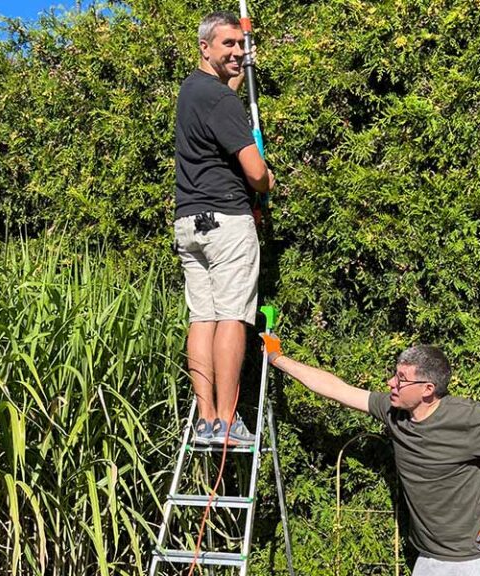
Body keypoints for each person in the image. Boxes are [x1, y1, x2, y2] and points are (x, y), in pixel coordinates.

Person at [260, 335, 480, 575]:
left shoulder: (467, 419)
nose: (391, 383)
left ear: (428, 389)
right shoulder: (393, 411)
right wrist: (278, 359)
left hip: (475, 561)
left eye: (401, 379)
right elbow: (338, 390)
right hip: (427, 558)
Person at [174, 11, 274, 445]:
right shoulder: (220, 101)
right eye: (227, 45)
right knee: (233, 317)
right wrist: (269, 180)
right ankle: (229, 422)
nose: (236, 51)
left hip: (189, 223)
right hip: (227, 220)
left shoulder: (192, 91)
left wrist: (237, 76)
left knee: (203, 318)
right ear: (205, 47)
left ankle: (207, 419)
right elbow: (255, 172)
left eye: (240, 45)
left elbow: (218, 108)